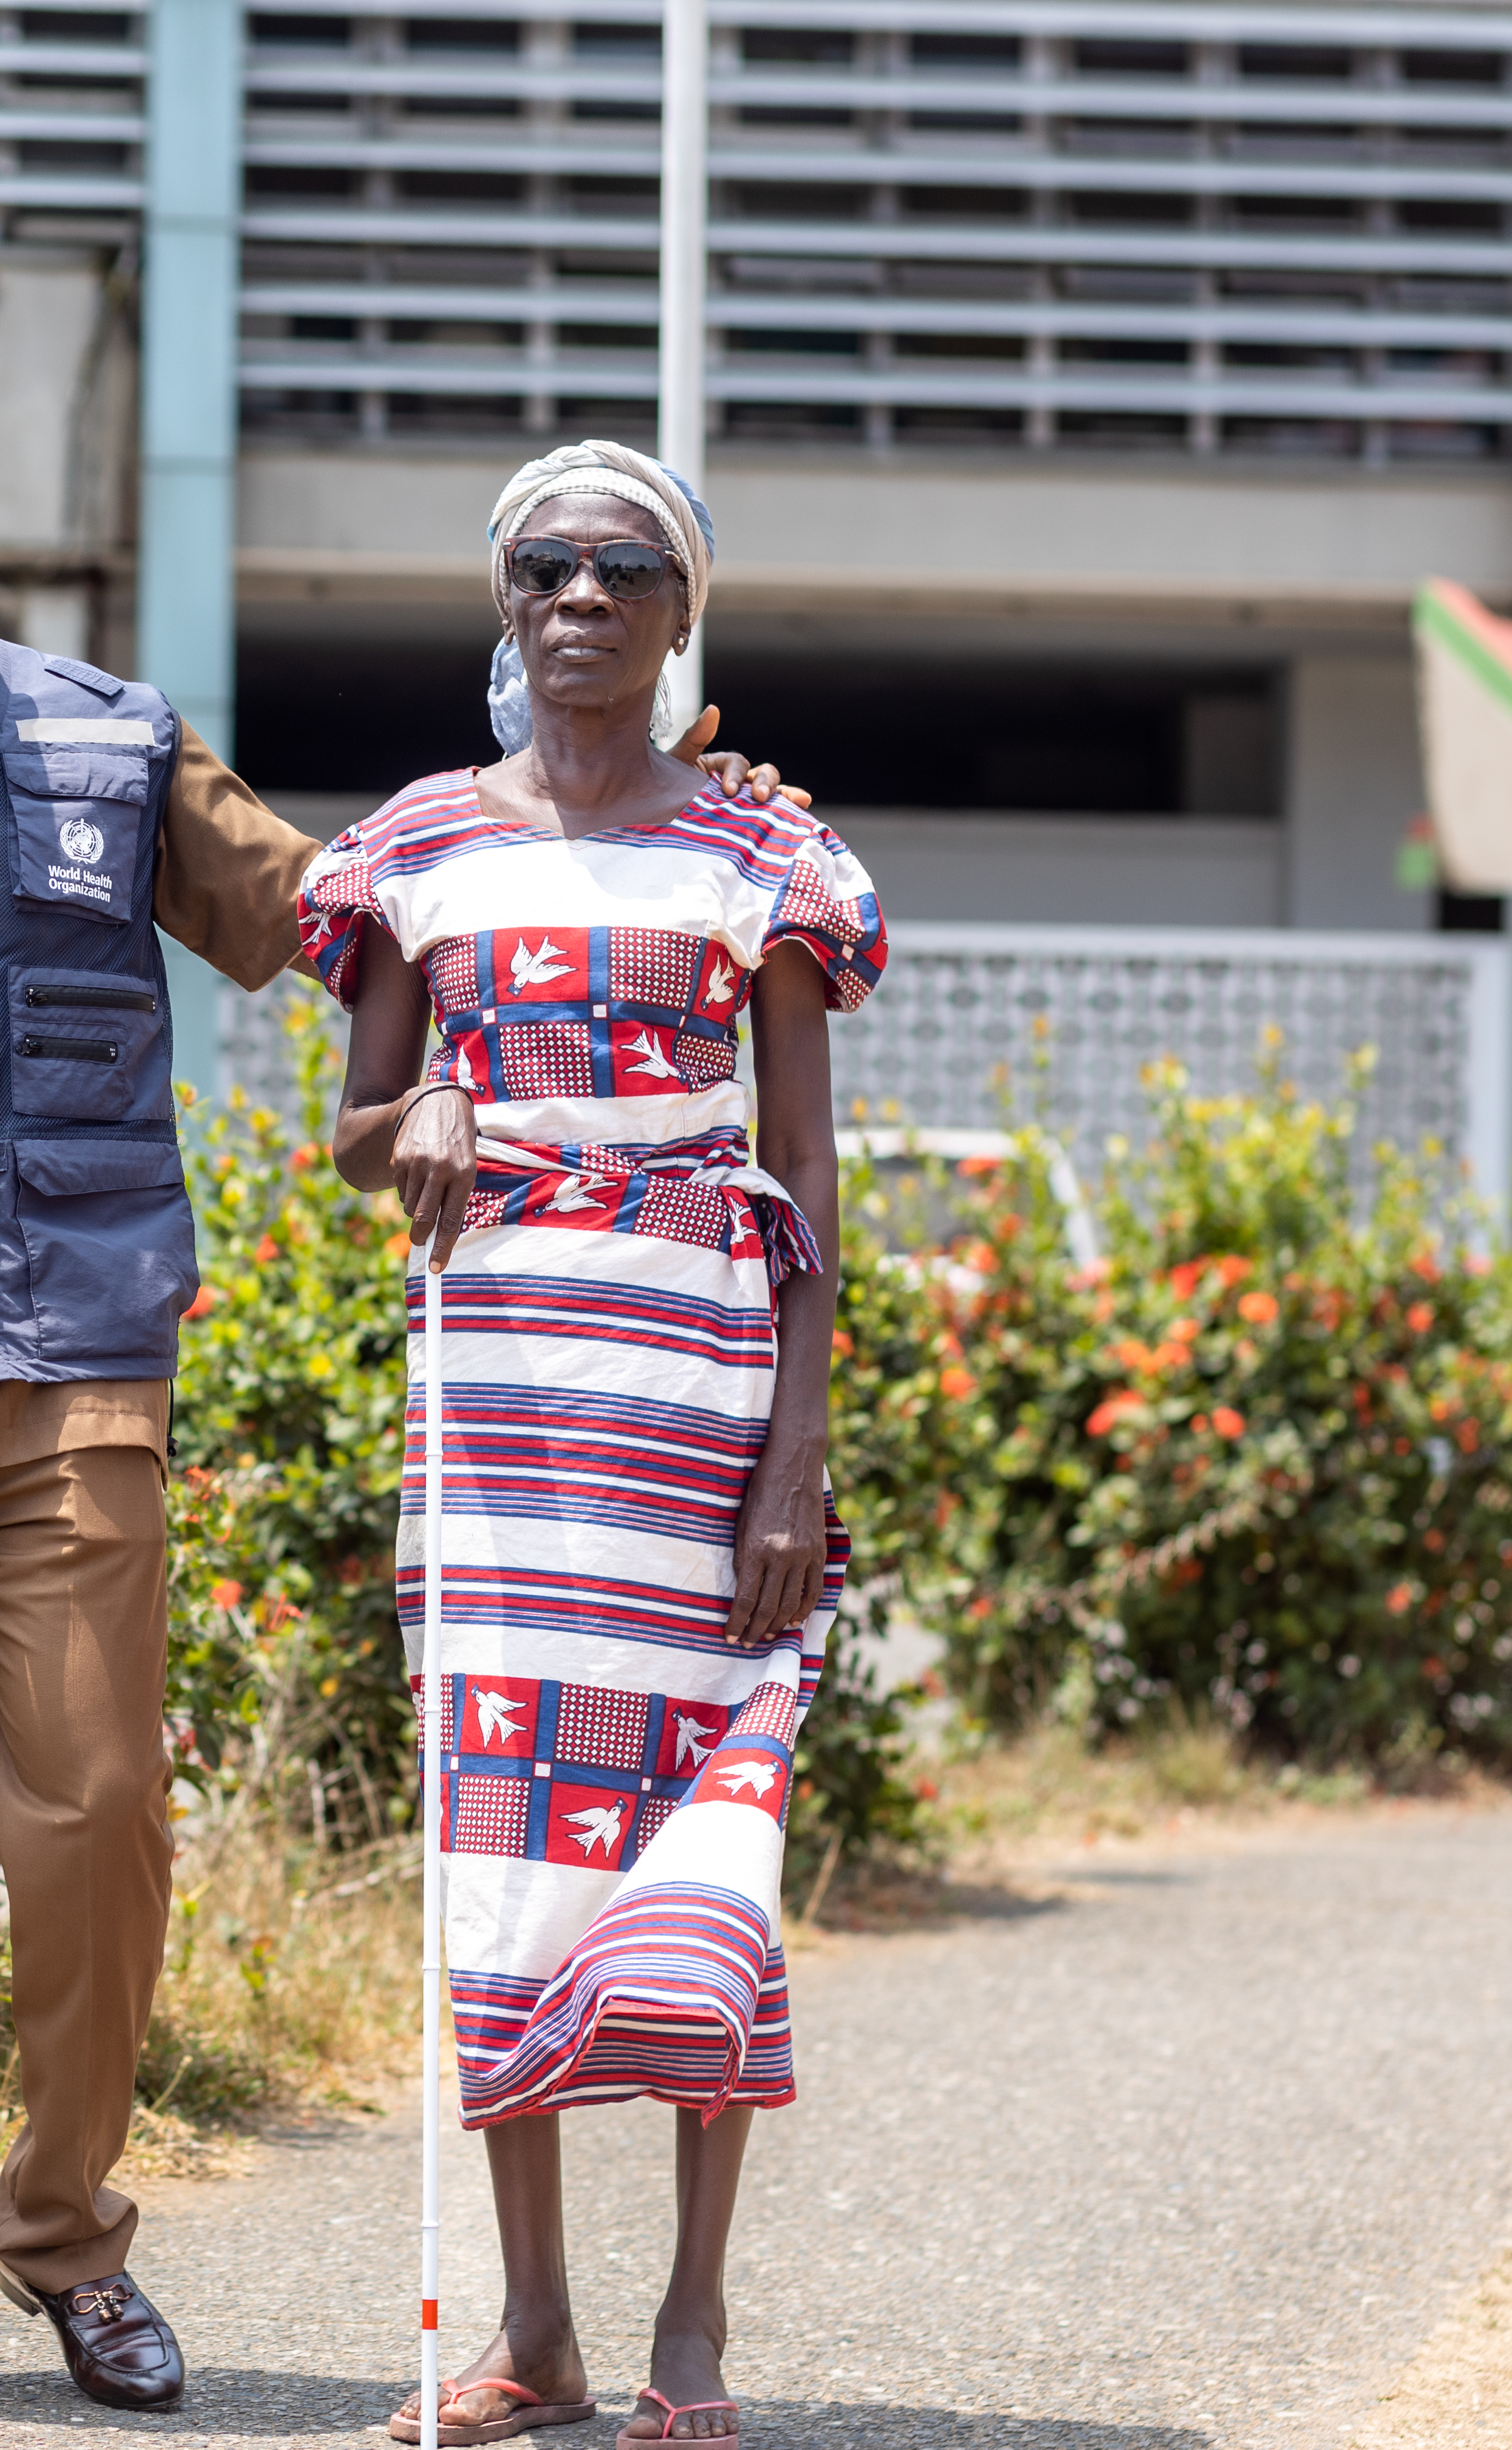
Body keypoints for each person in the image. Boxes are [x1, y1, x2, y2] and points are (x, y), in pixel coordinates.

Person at [0, 385, 805, 2419]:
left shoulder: (107, 749)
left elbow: (377, 922)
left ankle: (65, 2235)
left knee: (104, 1815)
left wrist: (651, 783)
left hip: (70, 1382)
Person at [300, 441, 885, 2448]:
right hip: (499, 1414)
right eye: (545, 565)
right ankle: (535, 2333)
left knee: (710, 1838)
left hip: (708, 1415)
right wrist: (419, 1133)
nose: (580, 598)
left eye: (623, 569)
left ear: (677, 612)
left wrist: (798, 1450)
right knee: (506, 1860)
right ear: (501, 598)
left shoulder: (762, 864)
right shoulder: (418, 853)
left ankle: (693, 2326)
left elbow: (805, 1166)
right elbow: (361, 1129)